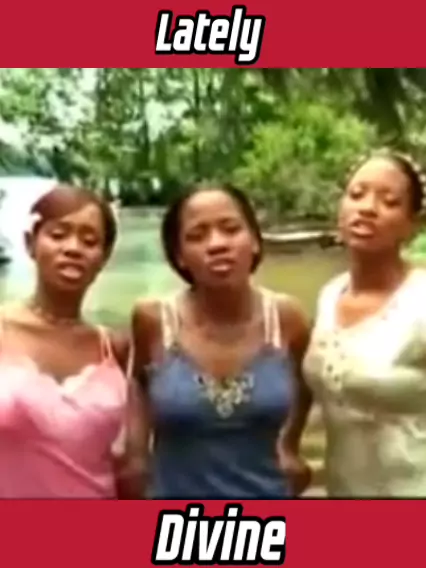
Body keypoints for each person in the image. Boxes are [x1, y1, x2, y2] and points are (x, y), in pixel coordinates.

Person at [128, 182, 312, 499]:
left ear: (255, 241)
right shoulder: (153, 320)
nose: (217, 244)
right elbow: (136, 386)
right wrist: (136, 454)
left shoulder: (286, 318)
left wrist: (291, 445)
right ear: (179, 256)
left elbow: (309, 383)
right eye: (197, 235)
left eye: (231, 229)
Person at [0, 184, 139, 499]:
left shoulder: (114, 348)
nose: (73, 248)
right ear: (31, 244)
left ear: (103, 258)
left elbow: (129, 461)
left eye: (89, 241)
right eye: (58, 235)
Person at [304, 148, 426, 497]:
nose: (367, 208)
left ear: (413, 225)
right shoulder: (330, 295)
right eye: (356, 195)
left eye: (389, 202)